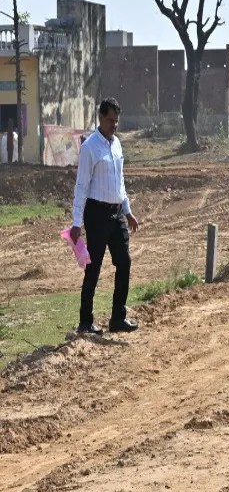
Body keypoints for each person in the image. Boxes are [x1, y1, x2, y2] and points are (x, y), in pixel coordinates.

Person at [71, 98, 140, 334]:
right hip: (96, 214)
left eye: (116, 121)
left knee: (125, 262)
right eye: (110, 120)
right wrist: (76, 223)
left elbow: (120, 182)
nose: (114, 125)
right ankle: (85, 322)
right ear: (100, 118)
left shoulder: (117, 144)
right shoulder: (90, 147)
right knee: (94, 268)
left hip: (117, 212)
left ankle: (117, 318)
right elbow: (81, 187)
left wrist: (128, 211)